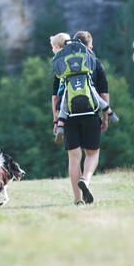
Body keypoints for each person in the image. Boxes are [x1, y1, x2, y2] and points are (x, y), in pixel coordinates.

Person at [52, 30, 109, 205]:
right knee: (92, 154)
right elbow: (104, 94)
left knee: (74, 157)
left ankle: (78, 199)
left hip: (68, 115)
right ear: (89, 46)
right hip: (91, 113)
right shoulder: (95, 63)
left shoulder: (62, 64)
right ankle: (86, 179)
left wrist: (56, 121)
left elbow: (55, 97)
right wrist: (105, 117)